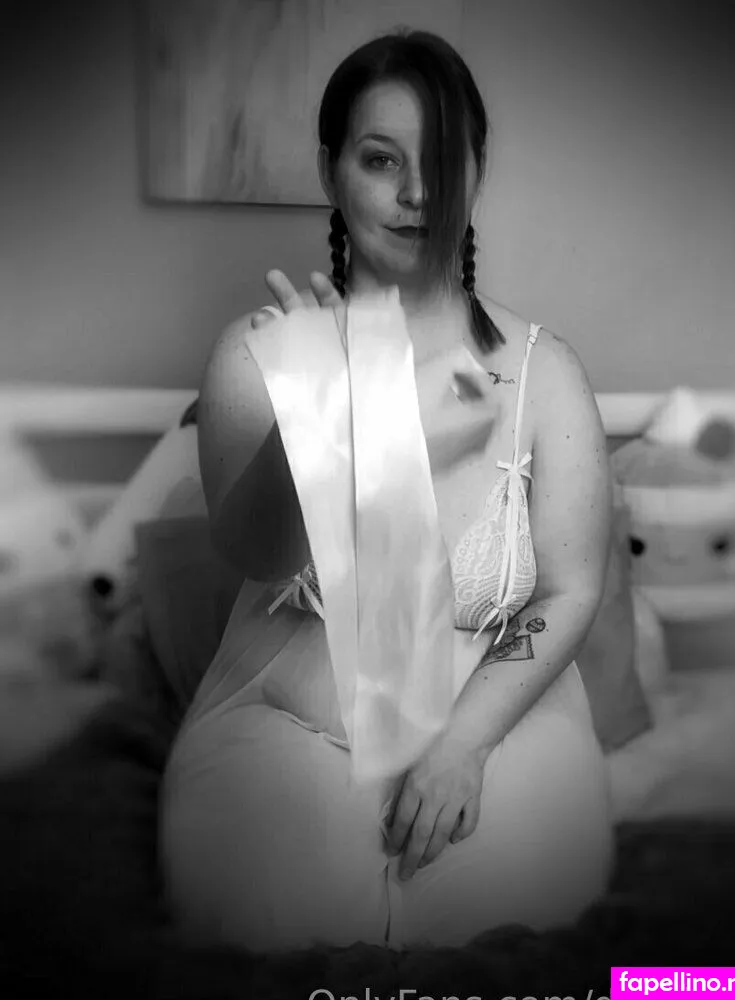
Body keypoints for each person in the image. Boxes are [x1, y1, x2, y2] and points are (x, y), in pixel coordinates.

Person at [160, 29, 614, 954]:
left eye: (442, 160)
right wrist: (320, 420)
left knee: (499, 927)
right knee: (275, 921)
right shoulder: (254, 354)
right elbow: (254, 553)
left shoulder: (546, 373)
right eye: (381, 161)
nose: (418, 194)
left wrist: (464, 745)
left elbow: (571, 588)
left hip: (498, 726)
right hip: (285, 722)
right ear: (330, 170)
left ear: (476, 170)